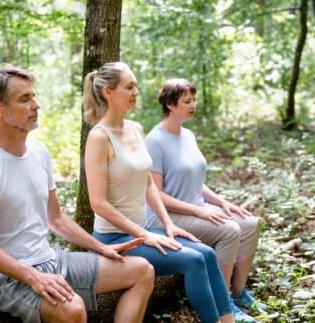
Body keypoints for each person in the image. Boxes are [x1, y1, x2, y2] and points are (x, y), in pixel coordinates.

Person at [0, 64, 155, 323]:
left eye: (34, 96)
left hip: (50, 259)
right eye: (24, 99)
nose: (36, 104)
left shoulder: (39, 152)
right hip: (1, 278)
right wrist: (32, 276)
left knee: (142, 271)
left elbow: (56, 217)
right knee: (72, 310)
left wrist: (101, 248)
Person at [83, 61, 235, 323]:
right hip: (116, 239)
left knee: (207, 254)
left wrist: (167, 225)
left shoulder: (135, 128)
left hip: (144, 232)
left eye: (136, 86)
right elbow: (98, 203)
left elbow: (149, 184)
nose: (136, 92)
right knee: (192, 261)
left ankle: (228, 319)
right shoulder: (99, 137)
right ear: (108, 92)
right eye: (129, 87)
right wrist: (144, 235)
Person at [145, 78, 264, 322]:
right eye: (186, 101)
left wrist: (221, 202)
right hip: (167, 216)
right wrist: (200, 212)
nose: (193, 105)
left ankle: (239, 292)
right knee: (229, 230)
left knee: (250, 223)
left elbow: (196, 181)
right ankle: (225, 302)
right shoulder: (154, 141)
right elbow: (156, 193)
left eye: (193, 99)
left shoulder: (187, 135)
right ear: (170, 104)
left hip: (197, 206)